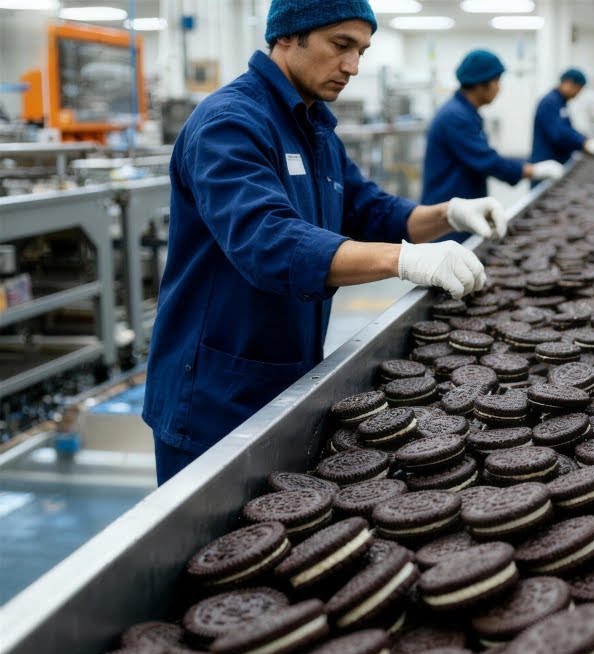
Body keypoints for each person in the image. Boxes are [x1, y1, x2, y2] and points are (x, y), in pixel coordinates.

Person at [144, 0, 504, 484]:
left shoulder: (316, 130)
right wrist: (404, 259)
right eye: (341, 45)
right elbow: (266, 241)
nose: (353, 66)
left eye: (361, 50)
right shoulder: (229, 123)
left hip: (287, 379)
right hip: (212, 395)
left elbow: (372, 211)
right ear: (289, 36)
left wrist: (449, 213)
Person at [422, 49, 564, 238]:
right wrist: (533, 171)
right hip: (449, 213)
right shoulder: (455, 117)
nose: (500, 88)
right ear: (482, 85)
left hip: (463, 205)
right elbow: (487, 160)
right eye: (497, 81)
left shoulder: (466, 112)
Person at [530, 68, 594, 168]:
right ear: (568, 83)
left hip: (557, 161)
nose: (577, 94)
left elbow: (566, 129)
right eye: (578, 89)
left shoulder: (561, 103)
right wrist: (585, 143)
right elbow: (560, 133)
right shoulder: (550, 102)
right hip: (546, 163)